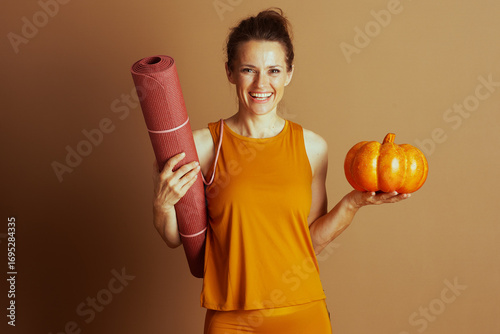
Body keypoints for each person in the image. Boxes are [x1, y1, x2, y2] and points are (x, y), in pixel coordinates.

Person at [152, 8, 409, 334]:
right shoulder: (203, 146)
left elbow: (310, 241)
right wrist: (162, 205)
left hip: (302, 313)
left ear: (289, 73)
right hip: (232, 317)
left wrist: (353, 203)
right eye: (249, 69)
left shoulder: (312, 147)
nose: (262, 83)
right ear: (230, 72)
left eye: (274, 70)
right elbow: (178, 237)